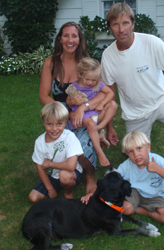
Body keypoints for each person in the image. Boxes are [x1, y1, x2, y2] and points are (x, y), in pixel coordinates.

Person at [101, 3, 164, 213]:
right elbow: (109, 96)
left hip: (162, 102)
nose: (121, 29)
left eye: (125, 23)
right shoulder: (108, 56)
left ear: (133, 23)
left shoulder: (150, 42)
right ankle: (137, 191)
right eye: (115, 24)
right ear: (110, 27)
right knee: (133, 155)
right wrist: (109, 127)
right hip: (135, 114)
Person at [39, 22, 112, 195]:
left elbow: (103, 93)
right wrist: (64, 114)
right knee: (61, 146)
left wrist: (83, 108)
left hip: (85, 113)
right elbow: (44, 96)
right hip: (58, 114)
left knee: (81, 146)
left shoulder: (86, 63)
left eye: (74, 36)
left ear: (79, 40)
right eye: (66, 35)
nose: (70, 40)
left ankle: (89, 176)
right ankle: (62, 175)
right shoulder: (51, 63)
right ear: (60, 39)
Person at [117, 131, 164, 224]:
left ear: (148, 147)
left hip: (154, 195)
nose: (136, 154)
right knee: (125, 209)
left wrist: (158, 169)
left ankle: (145, 212)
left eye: (139, 148)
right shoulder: (127, 165)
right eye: (131, 151)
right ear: (127, 154)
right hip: (134, 192)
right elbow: (113, 177)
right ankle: (134, 208)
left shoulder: (157, 160)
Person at [28, 102, 83, 203]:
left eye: (59, 124)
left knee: (64, 176)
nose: (54, 129)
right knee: (33, 197)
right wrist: (50, 189)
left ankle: (68, 192)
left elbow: (71, 166)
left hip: (72, 172)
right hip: (52, 175)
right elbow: (40, 166)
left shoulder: (69, 137)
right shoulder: (40, 142)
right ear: (43, 123)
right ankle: (56, 187)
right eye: (49, 124)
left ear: (65, 123)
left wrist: (50, 164)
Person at [66, 57, 117, 167]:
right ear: (80, 75)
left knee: (113, 104)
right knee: (90, 124)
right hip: (82, 115)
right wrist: (73, 101)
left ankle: (99, 128)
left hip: (95, 112)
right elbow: (68, 102)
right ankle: (100, 153)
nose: (90, 83)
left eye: (94, 80)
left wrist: (102, 104)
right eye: (87, 79)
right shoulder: (74, 87)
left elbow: (111, 94)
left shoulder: (98, 84)